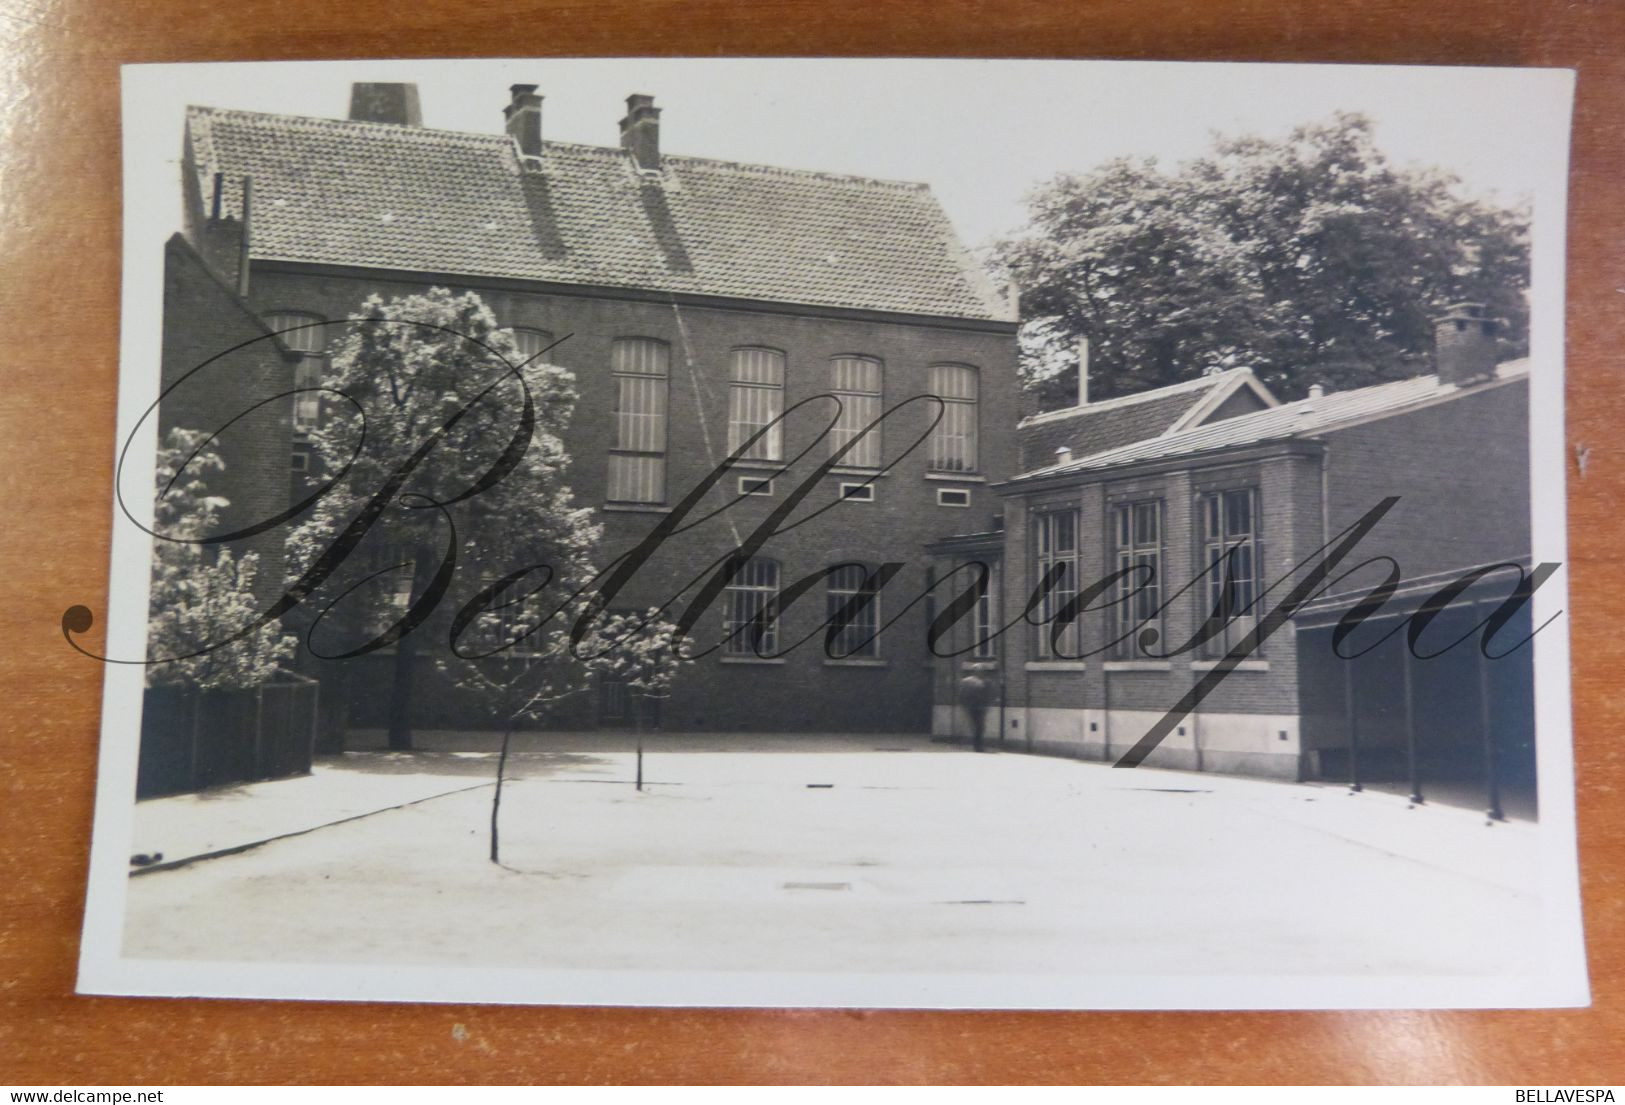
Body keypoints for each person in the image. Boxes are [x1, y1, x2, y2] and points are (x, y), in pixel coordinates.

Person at [957, 671, 994, 753]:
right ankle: (977, 746)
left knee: (976, 727)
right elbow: (984, 695)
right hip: (978, 707)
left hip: (971, 707)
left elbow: (960, 694)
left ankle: (975, 745)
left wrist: (963, 704)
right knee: (979, 727)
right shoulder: (981, 682)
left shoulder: (965, 681)